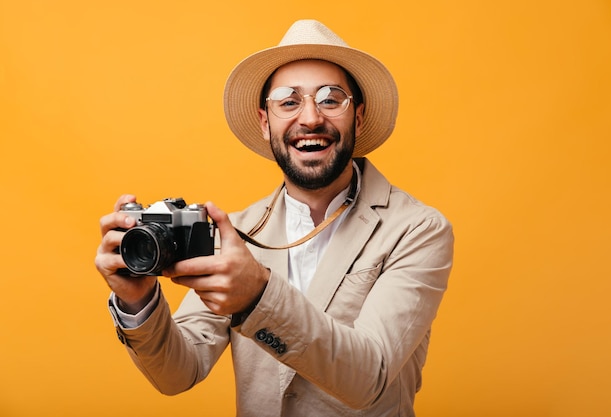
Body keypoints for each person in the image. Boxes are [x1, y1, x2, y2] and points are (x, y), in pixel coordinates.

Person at [95, 19, 454, 417]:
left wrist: (257, 295)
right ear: (266, 123)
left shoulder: (418, 230)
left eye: (331, 99)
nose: (311, 118)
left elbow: (370, 377)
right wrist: (137, 300)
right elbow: (179, 373)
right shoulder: (238, 233)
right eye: (288, 101)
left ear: (360, 117)